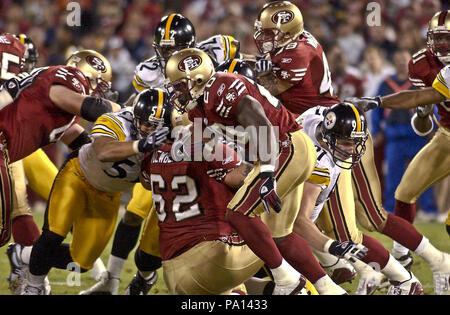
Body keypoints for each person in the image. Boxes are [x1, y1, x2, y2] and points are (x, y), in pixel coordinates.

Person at [252, 1, 449, 294]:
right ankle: (371, 272)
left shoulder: (297, 52)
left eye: (272, 33)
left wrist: (242, 70)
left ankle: (434, 264)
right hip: (311, 138)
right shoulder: (294, 45)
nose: (266, 39)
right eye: (264, 33)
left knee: (368, 216)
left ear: (288, 32)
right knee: (331, 223)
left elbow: (269, 88)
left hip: (336, 137)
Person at [165, 47, 363, 295]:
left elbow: (262, 123)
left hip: (285, 147)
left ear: (197, 78)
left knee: (238, 214)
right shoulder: (199, 106)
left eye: (179, 86)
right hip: (283, 150)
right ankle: (330, 289)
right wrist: (179, 145)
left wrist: (267, 173)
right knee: (281, 234)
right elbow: (199, 144)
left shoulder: (220, 87)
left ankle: (287, 281)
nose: (176, 93)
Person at [83, 13, 253, 295]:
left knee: (219, 213)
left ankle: (249, 280)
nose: (169, 55)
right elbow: (139, 104)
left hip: (209, 143)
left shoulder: (214, 51)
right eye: (164, 50)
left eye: (174, 49)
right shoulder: (147, 72)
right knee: (136, 212)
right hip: (166, 148)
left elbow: (243, 65)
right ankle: (116, 278)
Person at [18, 88, 170, 295]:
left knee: (81, 262)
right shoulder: (116, 120)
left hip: (108, 196)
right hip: (78, 177)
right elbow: (103, 151)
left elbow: (145, 184)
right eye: (143, 121)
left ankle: (23, 254)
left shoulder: (167, 141)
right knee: (54, 233)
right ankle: (34, 287)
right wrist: (141, 145)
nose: (146, 128)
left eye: (153, 126)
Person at [295, 102, 423, 295]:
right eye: (347, 143)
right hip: (294, 181)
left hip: (305, 187)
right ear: (329, 136)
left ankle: (405, 280)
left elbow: (300, 221)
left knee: (297, 243)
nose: (353, 150)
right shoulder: (313, 140)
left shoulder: (321, 149)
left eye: (356, 143)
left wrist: (327, 245)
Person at [349, 64, 450, 295]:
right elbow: (421, 108)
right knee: (403, 193)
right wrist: (378, 102)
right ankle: (402, 256)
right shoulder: (431, 67)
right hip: (446, 136)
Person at [371, 49, 438, 219]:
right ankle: (390, 210)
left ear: (410, 61)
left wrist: (433, 128)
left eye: (404, 59)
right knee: (393, 175)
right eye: (398, 59)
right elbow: (376, 108)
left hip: (418, 134)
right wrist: (377, 130)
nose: (401, 62)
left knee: (423, 173)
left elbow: (433, 103)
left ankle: (428, 209)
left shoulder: (420, 82)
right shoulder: (385, 82)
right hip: (394, 135)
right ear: (393, 61)